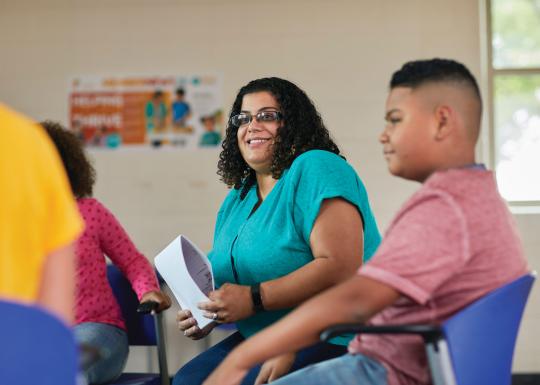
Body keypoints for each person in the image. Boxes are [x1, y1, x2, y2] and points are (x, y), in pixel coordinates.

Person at [202, 59, 529, 385]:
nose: (383, 136)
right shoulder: (477, 197)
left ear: (442, 121)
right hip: (393, 358)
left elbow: (355, 300)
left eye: (395, 120)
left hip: (387, 369)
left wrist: (245, 356)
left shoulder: (443, 208)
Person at [173, 77, 381, 385]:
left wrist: (255, 299)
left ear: (294, 124)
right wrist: (209, 311)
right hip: (267, 336)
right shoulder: (239, 196)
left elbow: (339, 266)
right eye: (243, 118)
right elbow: (230, 273)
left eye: (267, 116)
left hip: (335, 334)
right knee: (188, 381)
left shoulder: (317, 166)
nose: (252, 126)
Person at [41, 121, 172, 385]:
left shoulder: (89, 212)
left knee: (65, 368)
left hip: (96, 329)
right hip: (40, 334)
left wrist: (148, 290)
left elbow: (132, 260)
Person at [0, 104, 83, 325]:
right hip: (16, 337)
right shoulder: (27, 142)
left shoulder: (28, 143)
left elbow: (132, 260)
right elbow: (55, 314)